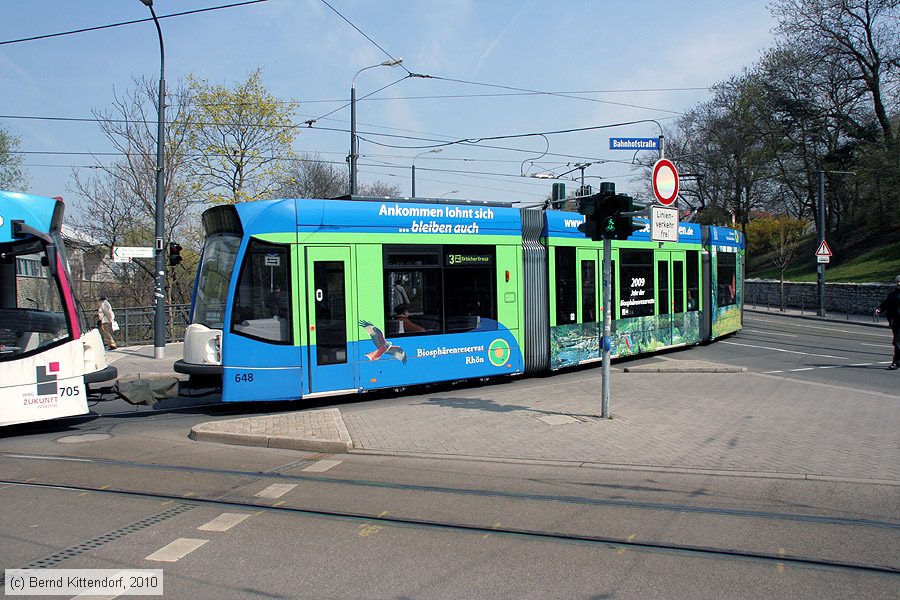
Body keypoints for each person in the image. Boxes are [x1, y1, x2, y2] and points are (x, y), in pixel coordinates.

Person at [875, 275, 900, 370]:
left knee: (897, 342)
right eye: (897, 282)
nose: (899, 283)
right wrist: (880, 309)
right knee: (897, 342)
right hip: (895, 322)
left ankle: (896, 362)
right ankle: (897, 362)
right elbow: (886, 303)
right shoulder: (892, 294)